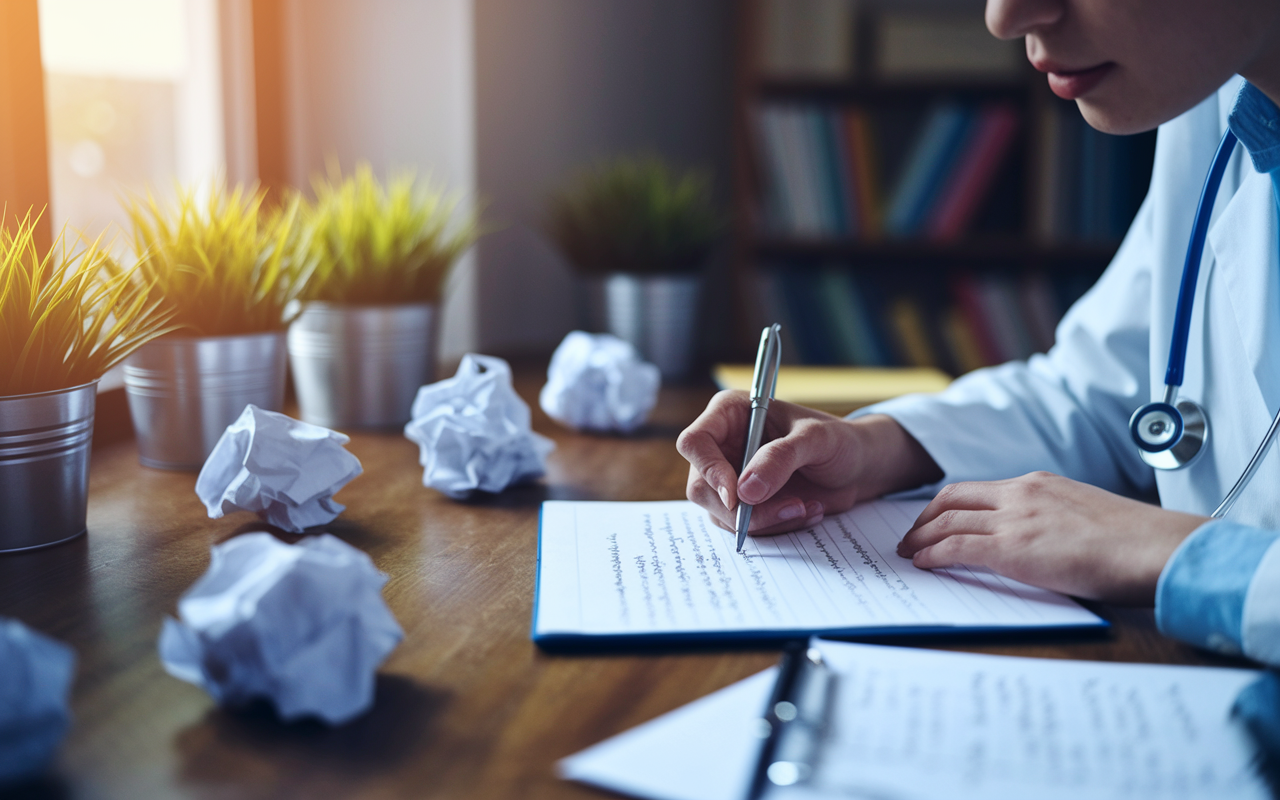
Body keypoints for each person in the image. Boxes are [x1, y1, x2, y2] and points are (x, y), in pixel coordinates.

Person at [678, 0, 1280, 667]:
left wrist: (1182, 557)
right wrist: (873, 451)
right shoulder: (1218, 112)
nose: (1005, 16)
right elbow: (1102, 391)